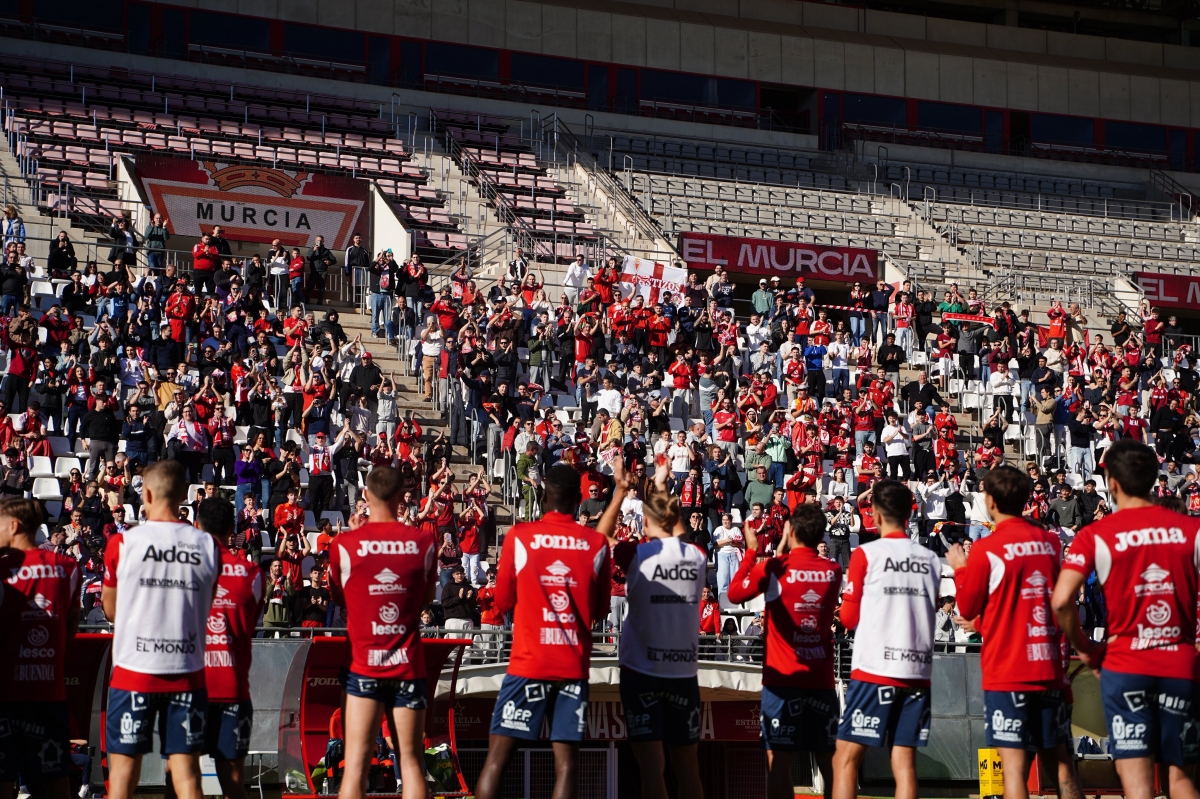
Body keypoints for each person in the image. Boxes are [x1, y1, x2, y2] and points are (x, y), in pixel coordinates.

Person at [1052, 440, 1200, 799]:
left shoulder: (1096, 534)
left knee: (1137, 787)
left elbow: (1060, 601)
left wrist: (1086, 649)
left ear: (1112, 483)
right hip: (1180, 663)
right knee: (1181, 782)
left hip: (1126, 663)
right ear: (1154, 479)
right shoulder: (1192, 531)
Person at [474, 465, 611, 799]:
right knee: (566, 767)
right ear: (579, 499)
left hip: (528, 663)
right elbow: (600, 611)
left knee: (496, 761)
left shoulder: (520, 537)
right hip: (571, 666)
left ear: (544, 495)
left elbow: (502, 600)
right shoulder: (596, 544)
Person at [947, 466, 1082, 799]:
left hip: (1007, 673)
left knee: (1014, 773)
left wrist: (961, 571)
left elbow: (966, 607)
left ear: (990, 502)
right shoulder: (1051, 543)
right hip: (1048, 668)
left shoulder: (985, 549)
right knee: (1062, 764)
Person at [100, 460, 221, 799]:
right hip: (187, 672)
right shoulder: (208, 546)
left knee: (122, 782)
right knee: (188, 780)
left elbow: (110, 610)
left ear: (147, 494)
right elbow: (206, 606)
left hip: (133, 673)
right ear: (185, 494)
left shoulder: (123, 544)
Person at [598, 459, 706, 799]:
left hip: (641, 672)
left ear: (644, 522)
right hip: (683, 673)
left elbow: (599, 540)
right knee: (689, 770)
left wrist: (620, 492)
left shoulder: (635, 552)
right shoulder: (697, 555)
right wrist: (660, 488)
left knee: (651, 771)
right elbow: (681, 536)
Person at [328, 465, 437, 799]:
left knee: (356, 765)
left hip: (364, 668)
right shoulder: (422, 541)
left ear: (365, 496)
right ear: (401, 497)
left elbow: (337, 597)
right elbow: (427, 599)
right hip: (407, 665)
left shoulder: (344, 544)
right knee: (412, 762)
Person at [833, 480, 939, 799]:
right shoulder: (931, 559)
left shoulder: (868, 553)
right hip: (917, 673)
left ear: (875, 514)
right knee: (904, 763)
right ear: (909, 513)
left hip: (876, 669)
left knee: (845, 760)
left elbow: (849, 619)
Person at [729, 503, 842, 799]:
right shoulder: (833, 570)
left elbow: (734, 593)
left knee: (779, 764)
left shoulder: (774, 567)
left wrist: (753, 551)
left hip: (781, 682)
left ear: (789, 531)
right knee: (829, 763)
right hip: (820, 680)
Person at [168, 498, 263, 799]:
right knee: (233, 780)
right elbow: (252, 622)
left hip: (188, 686)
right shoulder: (252, 573)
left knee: (179, 777)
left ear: (196, 526)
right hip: (233, 688)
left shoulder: (180, 568)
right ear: (232, 530)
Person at [0, 499, 78, 799]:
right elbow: (70, 628)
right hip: (49, 693)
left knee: (3, 782)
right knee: (56, 783)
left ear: (14, 525)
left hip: (5, 695)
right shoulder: (68, 568)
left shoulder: (3, 570)